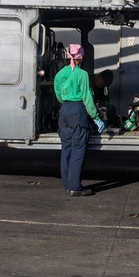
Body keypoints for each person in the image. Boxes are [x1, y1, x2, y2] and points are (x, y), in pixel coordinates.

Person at [54, 43, 100, 197]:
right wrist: (95, 116)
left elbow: (59, 95)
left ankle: (68, 185)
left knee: (66, 149)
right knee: (78, 150)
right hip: (77, 111)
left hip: (64, 111)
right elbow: (87, 97)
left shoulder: (59, 74)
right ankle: (75, 187)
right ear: (81, 58)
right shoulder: (82, 74)